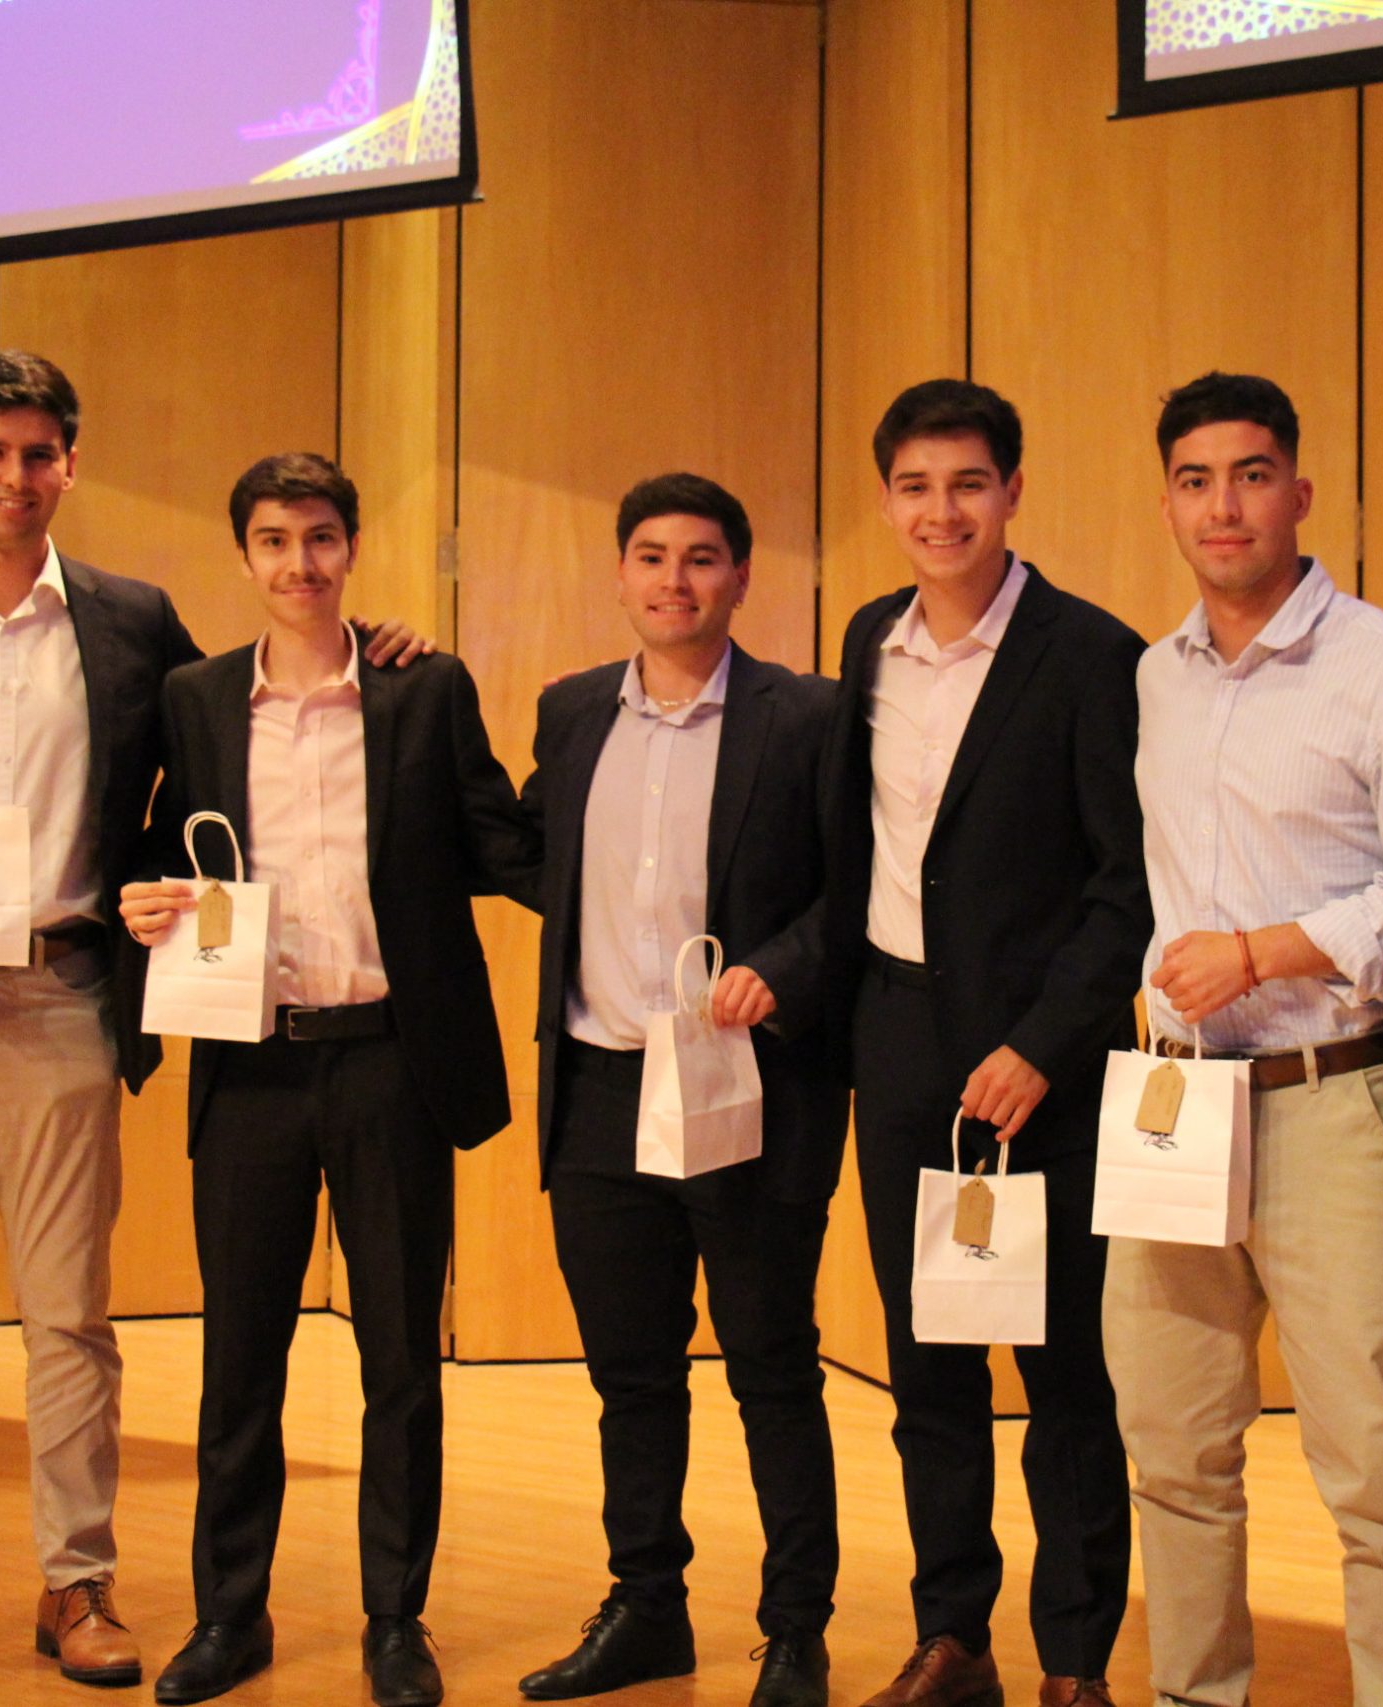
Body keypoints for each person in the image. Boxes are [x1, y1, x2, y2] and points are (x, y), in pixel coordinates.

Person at [0, 356, 432, 1703]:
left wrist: (376, 652)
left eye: (39, 453)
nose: (15, 476)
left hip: (60, 990)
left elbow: (227, 750)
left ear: (69, 464)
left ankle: (78, 1579)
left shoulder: (130, 618)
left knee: (69, 1315)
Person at [118, 453, 534, 1707]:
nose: (297, 562)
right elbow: (156, 846)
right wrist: (142, 900)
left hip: (393, 1063)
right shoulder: (194, 697)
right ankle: (227, 1616)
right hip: (249, 1065)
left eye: (318, 538)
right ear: (243, 555)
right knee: (239, 1357)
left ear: (351, 548)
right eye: (272, 540)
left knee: (400, 1361)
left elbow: (500, 840)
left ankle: (396, 1620)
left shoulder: (423, 687)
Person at [1108, 372, 1383, 1707]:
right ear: (1167, 505)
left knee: (1376, 1467)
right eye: (1195, 480)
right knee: (1172, 1453)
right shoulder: (1157, 675)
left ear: (1301, 492)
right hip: (1175, 1108)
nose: (1224, 505)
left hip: (1333, 1097)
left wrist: (1262, 951)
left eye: (1252, 475)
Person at [824, 379, 1149, 1707]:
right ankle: (953, 1635)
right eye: (915, 486)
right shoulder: (869, 640)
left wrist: (1044, 1044)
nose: (940, 511)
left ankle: (1076, 1659)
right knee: (929, 1366)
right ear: (886, 498)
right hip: (901, 1046)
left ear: (1012, 490)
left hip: (1042, 1069)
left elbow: (1128, 885)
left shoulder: (1092, 652)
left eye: (967, 483)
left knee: (1067, 1375)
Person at [510, 473, 845, 1707]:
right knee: (632, 1375)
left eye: (701, 558)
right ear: (620, 574)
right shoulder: (569, 713)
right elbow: (524, 850)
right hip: (600, 1088)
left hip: (744, 1085)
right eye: (650, 556)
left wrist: (781, 969)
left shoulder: (805, 717)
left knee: (771, 1368)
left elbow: (853, 890)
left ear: (740, 577)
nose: (673, 580)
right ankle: (647, 1607)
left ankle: (795, 1630)